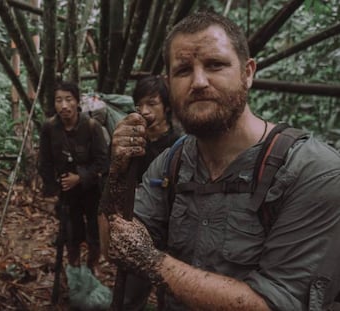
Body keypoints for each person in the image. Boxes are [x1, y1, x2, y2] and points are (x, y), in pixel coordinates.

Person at [98, 10, 340, 311]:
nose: (199, 82)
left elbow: (278, 303)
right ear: (168, 82)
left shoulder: (312, 171)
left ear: (248, 72)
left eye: (215, 65)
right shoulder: (171, 163)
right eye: (184, 70)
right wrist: (118, 173)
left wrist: (153, 262)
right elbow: (114, 246)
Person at [123, 75, 181, 310]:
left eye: (152, 104)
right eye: (139, 105)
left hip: (175, 225)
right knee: (132, 292)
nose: (144, 111)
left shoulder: (179, 143)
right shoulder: (133, 140)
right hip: (142, 225)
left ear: (166, 106)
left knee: (171, 293)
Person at [38, 80, 108, 273]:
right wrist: (52, 188)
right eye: (59, 100)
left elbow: (103, 162)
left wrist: (80, 177)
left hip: (91, 189)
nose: (64, 105)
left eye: (68, 99)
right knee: (70, 230)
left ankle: (93, 264)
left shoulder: (92, 127)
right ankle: (74, 265)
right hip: (66, 191)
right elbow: (44, 161)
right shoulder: (50, 128)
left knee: (94, 230)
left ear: (77, 102)